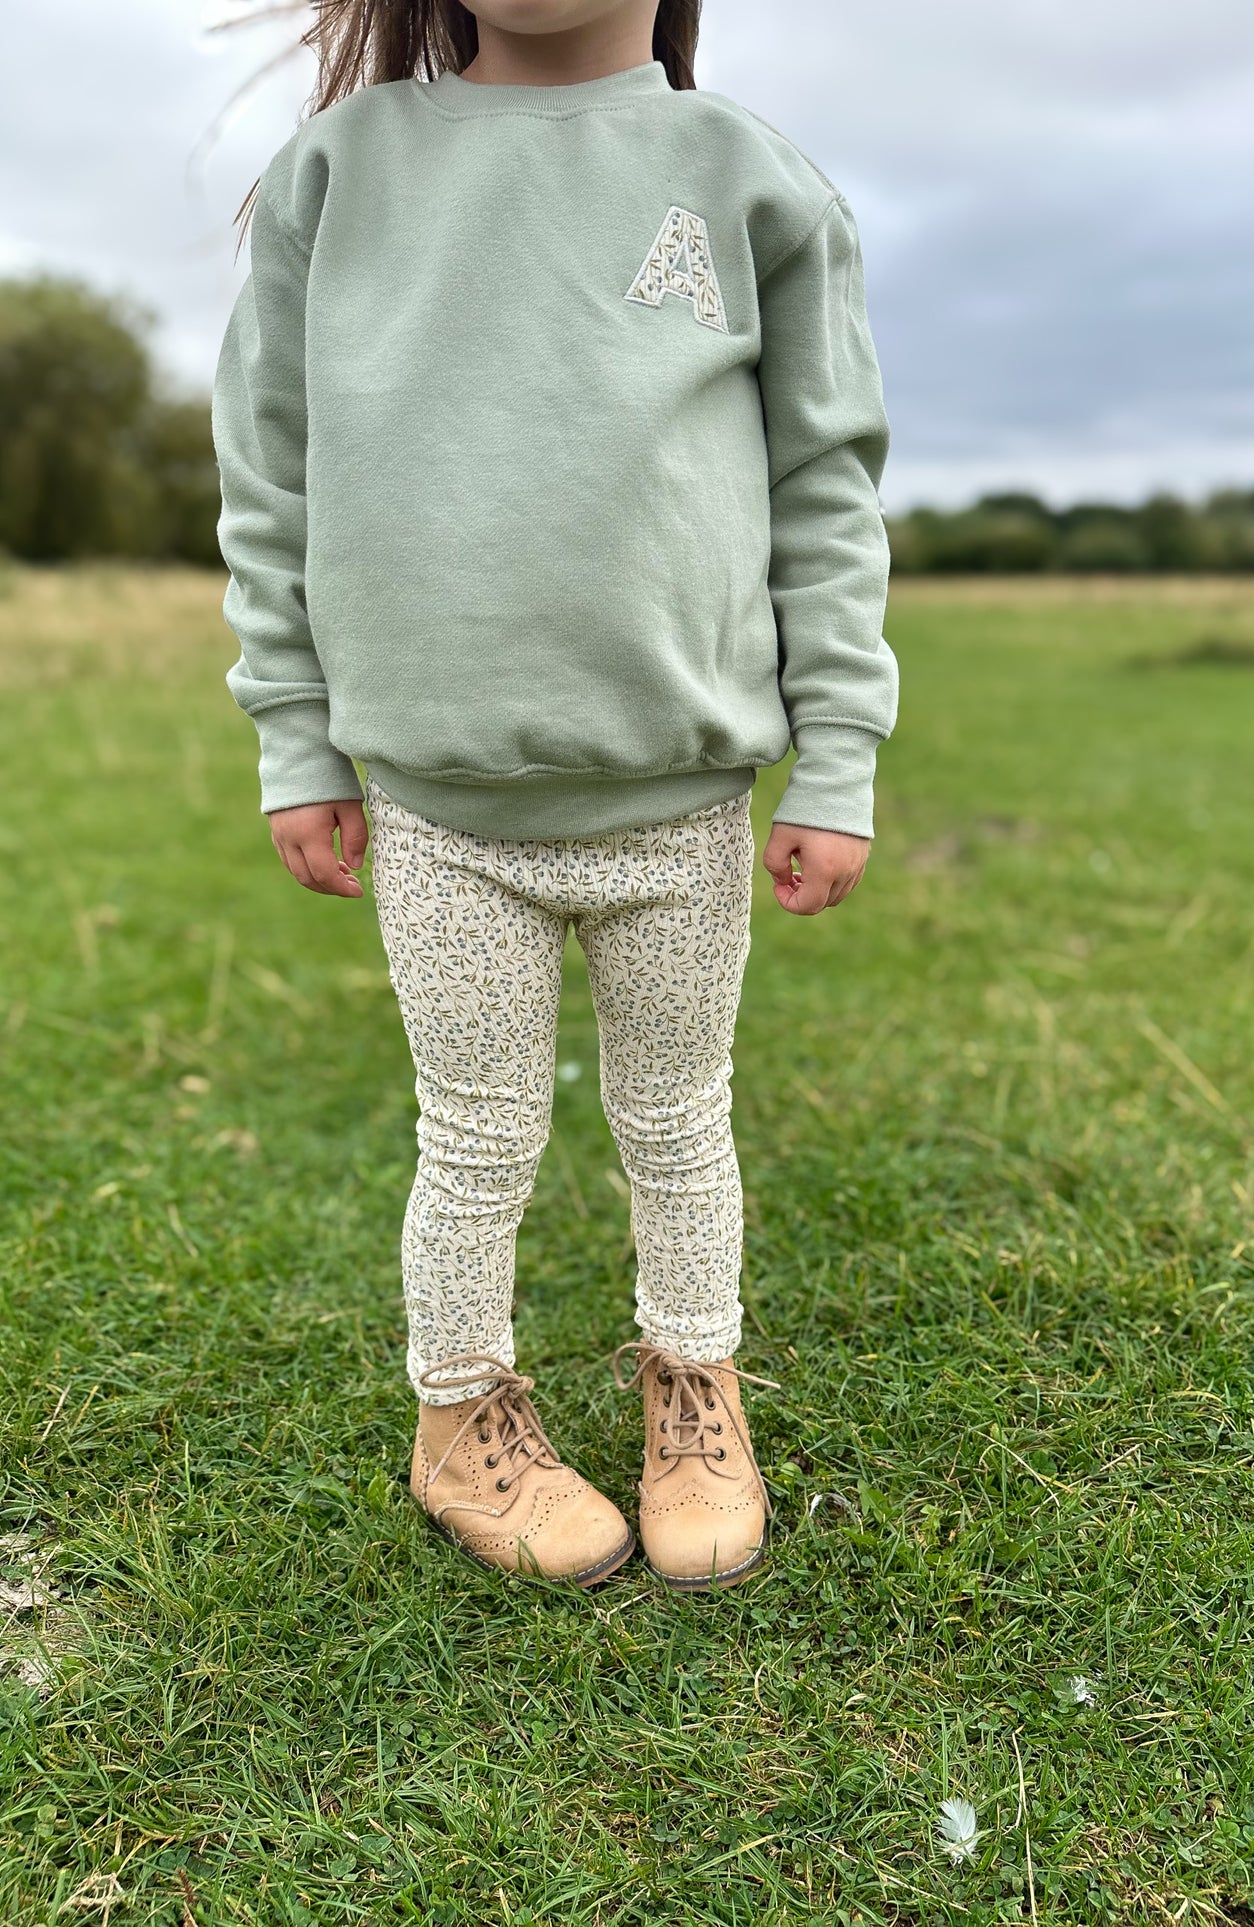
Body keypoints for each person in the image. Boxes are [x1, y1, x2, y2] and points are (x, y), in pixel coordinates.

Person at [211, 0, 899, 1592]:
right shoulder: (340, 171)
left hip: (682, 816)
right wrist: (297, 736)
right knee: (476, 1137)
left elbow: (824, 486)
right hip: (445, 816)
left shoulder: (747, 177)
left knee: (677, 1121)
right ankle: (461, 1418)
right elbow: (269, 475)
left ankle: (694, 1392)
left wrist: (838, 754)